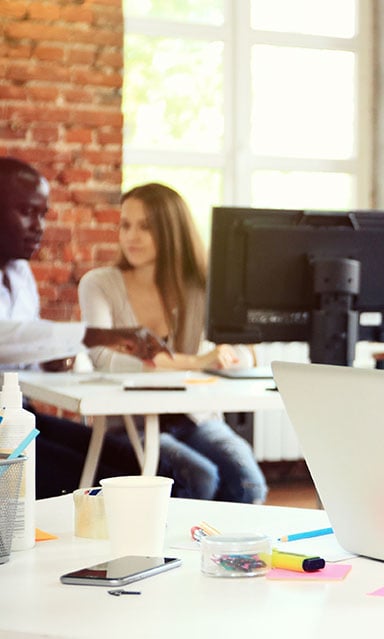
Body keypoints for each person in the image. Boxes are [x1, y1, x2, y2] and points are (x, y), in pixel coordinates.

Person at [78, 182, 268, 504]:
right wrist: (195, 362)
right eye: (125, 225)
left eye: (145, 227)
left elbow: (246, 352)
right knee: (200, 477)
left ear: (172, 232)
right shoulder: (99, 284)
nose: (131, 237)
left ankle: (222, 551)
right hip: (128, 423)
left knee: (248, 484)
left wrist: (224, 355)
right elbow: (102, 357)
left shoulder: (202, 285)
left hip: (194, 416)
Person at [0, 156, 172, 497]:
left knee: (141, 469)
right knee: (106, 483)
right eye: (25, 211)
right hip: (5, 429)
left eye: (43, 214)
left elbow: (24, 344)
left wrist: (45, 360)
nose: (38, 226)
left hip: (19, 415)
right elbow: (6, 336)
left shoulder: (19, 273)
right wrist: (95, 334)